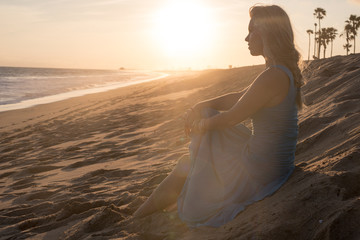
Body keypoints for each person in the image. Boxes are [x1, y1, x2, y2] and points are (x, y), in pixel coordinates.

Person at [134, 4, 303, 227]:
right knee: (191, 162)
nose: (246, 38)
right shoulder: (277, 72)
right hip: (269, 161)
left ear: (267, 33)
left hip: (261, 170)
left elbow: (232, 118)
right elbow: (240, 97)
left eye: (251, 30)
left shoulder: (273, 76)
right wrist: (204, 104)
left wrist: (201, 124)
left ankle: (135, 219)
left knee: (189, 164)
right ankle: (141, 214)